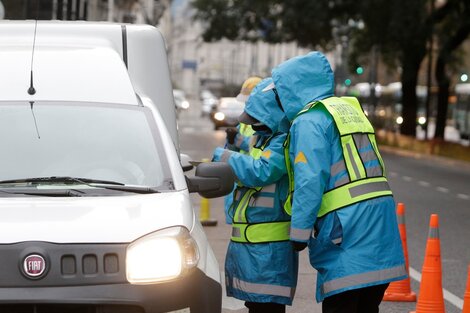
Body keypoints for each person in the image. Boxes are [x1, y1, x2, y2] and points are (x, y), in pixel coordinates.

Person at [271, 51, 407, 313]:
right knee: (368, 303)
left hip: (346, 227)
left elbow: (310, 180)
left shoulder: (309, 120)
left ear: (294, 88)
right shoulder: (349, 110)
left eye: (281, 91)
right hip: (380, 217)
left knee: (342, 301)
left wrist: (299, 233)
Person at [212, 77, 298, 313]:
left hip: (269, 247)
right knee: (257, 304)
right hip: (256, 245)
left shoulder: (282, 141)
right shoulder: (266, 137)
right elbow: (251, 156)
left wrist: (225, 156)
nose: (254, 125)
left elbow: (262, 170)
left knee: (267, 306)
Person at [223, 76, 262, 224]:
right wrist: (231, 139)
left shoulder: (264, 121)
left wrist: (237, 139)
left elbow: (256, 146)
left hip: (251, 178)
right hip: (240, 175)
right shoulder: (246, 120)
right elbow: (234, 148)